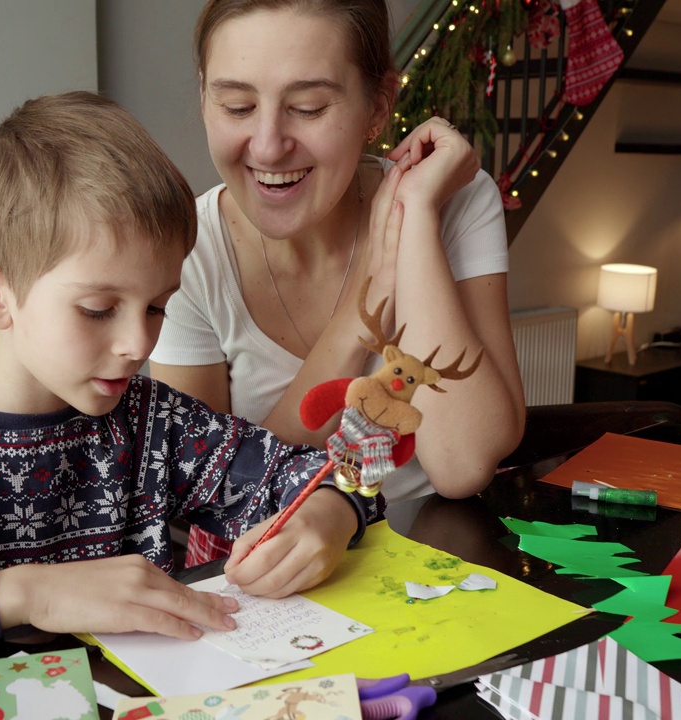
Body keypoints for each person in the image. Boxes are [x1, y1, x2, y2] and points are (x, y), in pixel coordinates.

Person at [0, 91, 378, 674]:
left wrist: (329, 515)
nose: (138, 343)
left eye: (157, 307)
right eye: (100, 308)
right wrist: (26, 594)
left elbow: (322, 475)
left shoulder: (153, 422)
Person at [149, 0, 526, 564]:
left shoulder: (455, 200)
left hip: (429, 563)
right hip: (266, 578)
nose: (269, 144)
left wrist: (415, 217)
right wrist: (365, 303)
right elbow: (210, 494)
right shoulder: (186, 247)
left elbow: (464, 465)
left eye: (307, 107)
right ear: (205, 98)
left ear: (379, 106)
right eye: (238, 105)